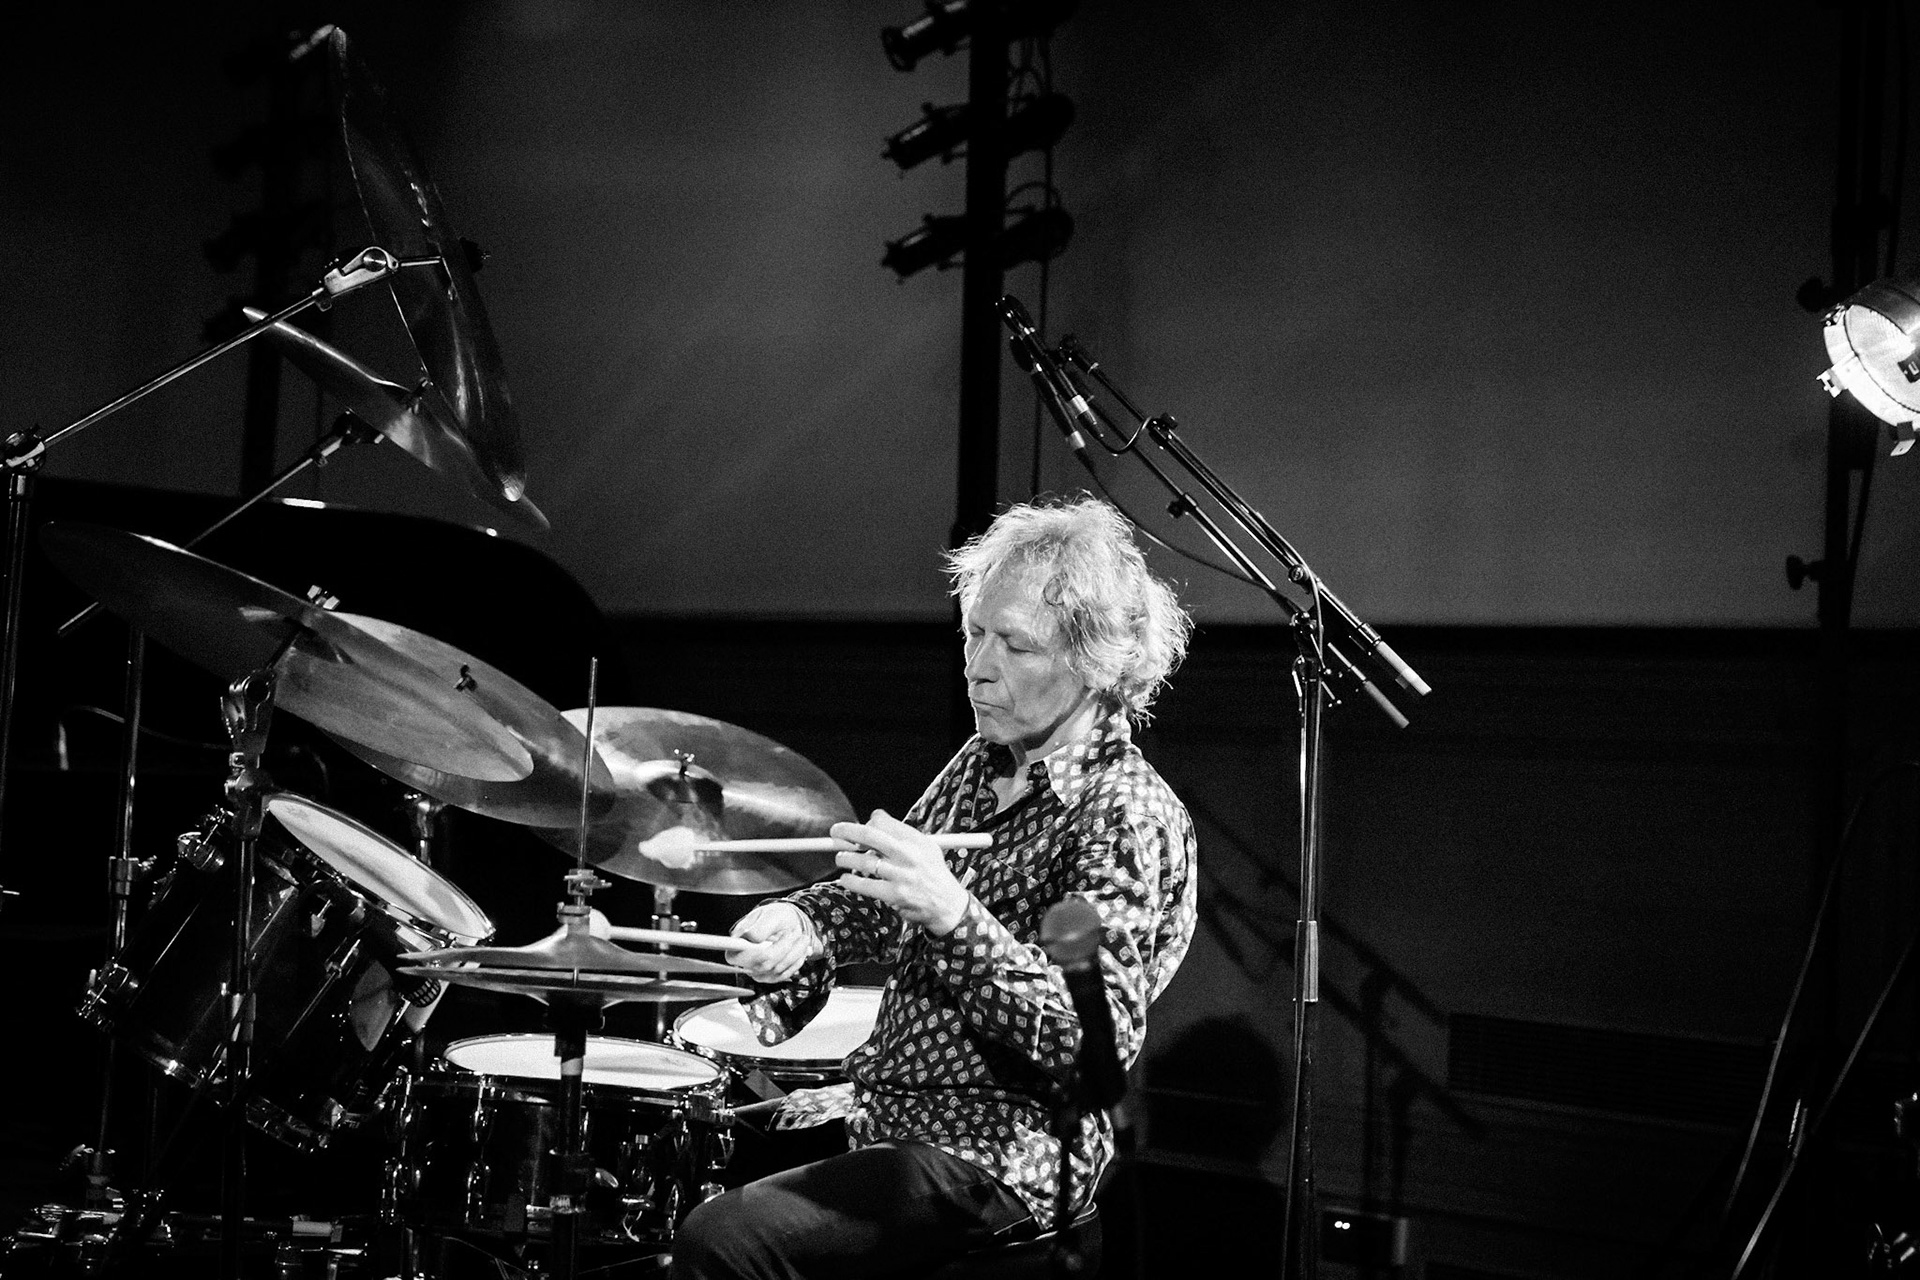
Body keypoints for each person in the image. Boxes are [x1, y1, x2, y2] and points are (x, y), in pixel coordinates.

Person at [669, 495, 1197, 1280]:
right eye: (974, 633)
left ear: (1095, 662)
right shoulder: (982, 762)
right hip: (891, 1109)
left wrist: (956, 917)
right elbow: (877, 899)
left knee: (726, 1239)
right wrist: (800, 924)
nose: (978, 666)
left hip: (1000, 1151)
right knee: (682, 1151)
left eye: (1013, 644)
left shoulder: (1120, 814)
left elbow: (1096, 1043)